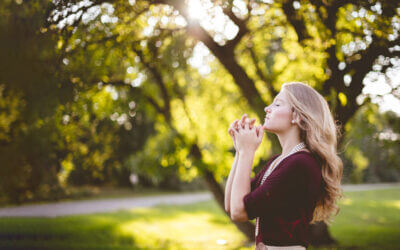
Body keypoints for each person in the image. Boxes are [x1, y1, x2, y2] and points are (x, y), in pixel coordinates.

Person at [224, 82, 344, 249]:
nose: (267, 108)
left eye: (277, 104)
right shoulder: (279, 161)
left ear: (297, 116)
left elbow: (239, 212)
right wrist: (240, 150)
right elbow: (231, 204)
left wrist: (247, 152)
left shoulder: (300, 164)